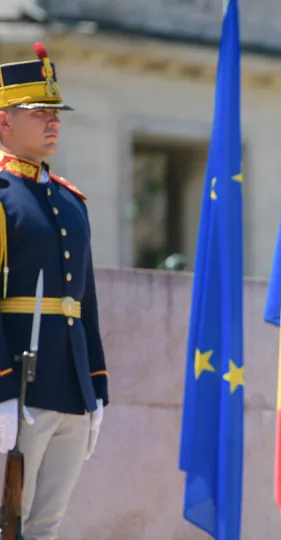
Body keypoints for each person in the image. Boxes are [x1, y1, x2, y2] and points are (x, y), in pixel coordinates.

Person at [0, 42, 108, 540]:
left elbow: (85, 306)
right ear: (4, 121)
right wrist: (1, 391)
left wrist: (97, 388)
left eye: (55, 112)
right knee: (7, 523)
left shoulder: (71, 202)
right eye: (38, 112)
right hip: (17, 388)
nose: (53, 121)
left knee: (47, 525)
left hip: (69, 388)